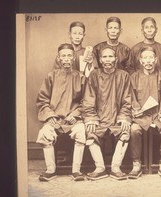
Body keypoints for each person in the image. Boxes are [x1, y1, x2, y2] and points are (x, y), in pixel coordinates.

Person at [36, 43, 86, 182]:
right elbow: (42, 100)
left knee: (81, 132)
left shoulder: (81, 77)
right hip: (55, 118)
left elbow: (85, 101)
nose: (66, 59)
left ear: (73, 57)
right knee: (45, 134)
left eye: (69, 55)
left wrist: (75, 114)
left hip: (73, 119)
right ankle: (51, 170)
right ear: (58, 58)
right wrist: (50, 116)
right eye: (63, 56)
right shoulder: (51, 76)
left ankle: (76, 170)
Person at [82, 47, 132, 181]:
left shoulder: (123, 75)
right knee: (90, 132)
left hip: (117, 118)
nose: (107, 60)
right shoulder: (94, 75)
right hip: (99, 118)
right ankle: (100, 168)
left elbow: (128, 100)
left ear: (116, 59)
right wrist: (91, 118)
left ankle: (116, 167)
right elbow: (88, 99)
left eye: (110, 57)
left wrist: (124, 118)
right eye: (104, 57)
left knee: (125, 132)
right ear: (100, 59)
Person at [128, 46, 161, 179]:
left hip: (158, 115)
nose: (148, 61)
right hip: (141, 117)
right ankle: (136, 163)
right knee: (134, 130)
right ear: (141, 61)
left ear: (156, 60)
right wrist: (135, 109)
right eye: (145, 58)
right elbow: (131, 97)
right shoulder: (134, 77)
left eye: (151, 58)